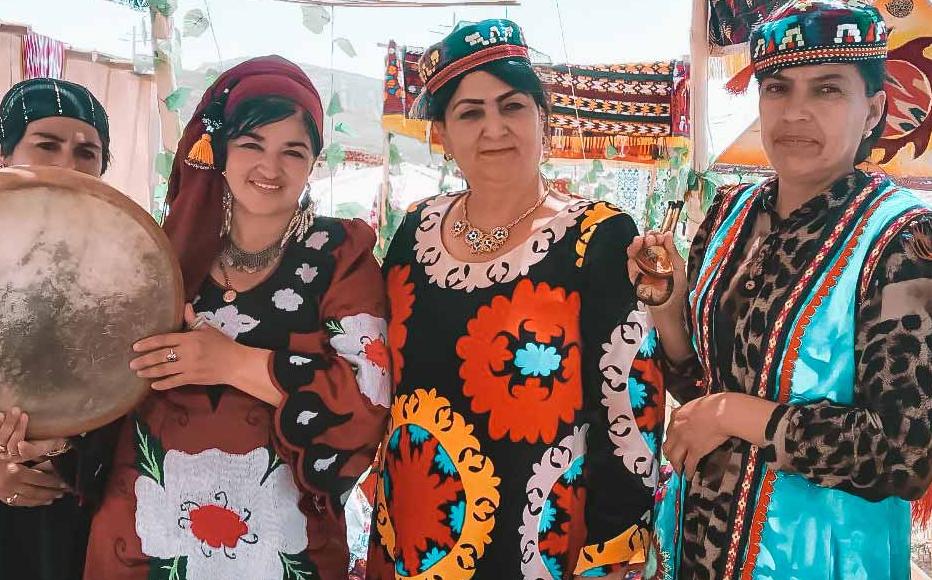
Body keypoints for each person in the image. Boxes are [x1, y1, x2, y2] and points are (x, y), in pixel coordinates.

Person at [632, 2, 932, 577]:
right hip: (699, 543)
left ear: (872, 110)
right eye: (776, 88)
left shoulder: (900, 238)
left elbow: (904, 451)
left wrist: (731, 413)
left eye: (826, 90)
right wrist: (671, 310)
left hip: (824, 558)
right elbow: (701, 384)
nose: (794, 113)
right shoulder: (729, 215)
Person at [367, 20, 661, 579]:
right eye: (469, 112)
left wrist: (609, 550)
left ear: (542, 119)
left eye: (512, 106)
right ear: (445, 136)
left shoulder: (596, 238)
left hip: (543, 545)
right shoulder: (413, 232)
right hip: (414, 535)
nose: (494, 128)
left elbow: (630, 410)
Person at [84, 56, 390, 579]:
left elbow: (366, 397)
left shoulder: (341, 254)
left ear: (314, 162)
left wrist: (228, 362)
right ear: (220, 153)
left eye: (292, 151)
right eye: (252, 145)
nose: (270, 169)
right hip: (142, 541)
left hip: (284, 546)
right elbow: (95, 378)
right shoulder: (163, 253)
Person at [0, 77, 120, 580]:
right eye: (46, 144)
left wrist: (67, 457)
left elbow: (127, 388)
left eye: (87, 152)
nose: (68, 165)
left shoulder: (127, 267)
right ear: (5, 154)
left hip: (77, 510)